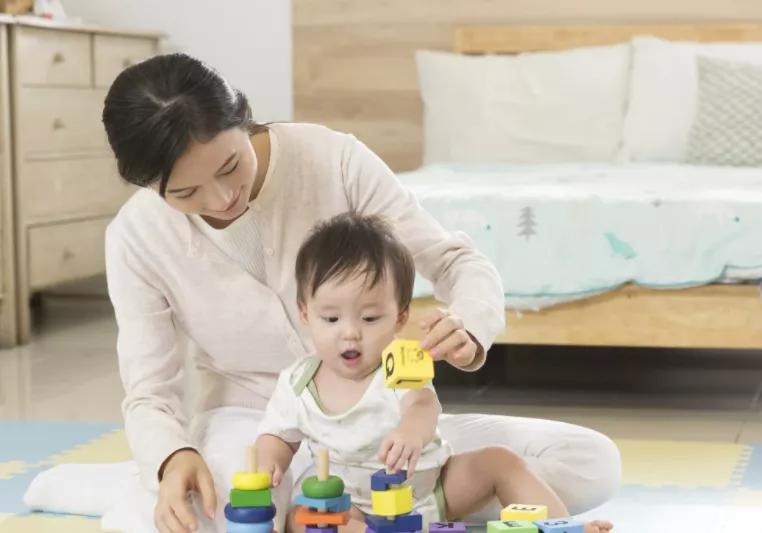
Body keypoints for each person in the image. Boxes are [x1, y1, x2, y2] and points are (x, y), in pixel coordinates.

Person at [102, 53, 621, 533]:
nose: (221, 200)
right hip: (253, 426)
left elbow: (453, 261)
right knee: (202, 513)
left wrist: (468, 322)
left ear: (244, 120)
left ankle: (348, 512)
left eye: (229, 167)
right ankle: (333, 508)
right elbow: (149, 391)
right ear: (148, 186)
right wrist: (171, 456)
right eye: (186, 193)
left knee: (589, 462)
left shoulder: (332, 159)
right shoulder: (136, 237)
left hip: (381, 426)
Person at [255, 213, 613, 533]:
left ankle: (561, 527)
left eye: (370, 318)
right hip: (353, 505)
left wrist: (412, 430)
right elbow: (278, 435)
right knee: (303, 516)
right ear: (305, 314)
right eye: (331, 318)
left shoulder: (398, 363)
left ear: (400, 316)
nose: (350, 333)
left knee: (500, 460)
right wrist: (270, 460)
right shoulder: (297, 383)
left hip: (433, 489)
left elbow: (423, 404)